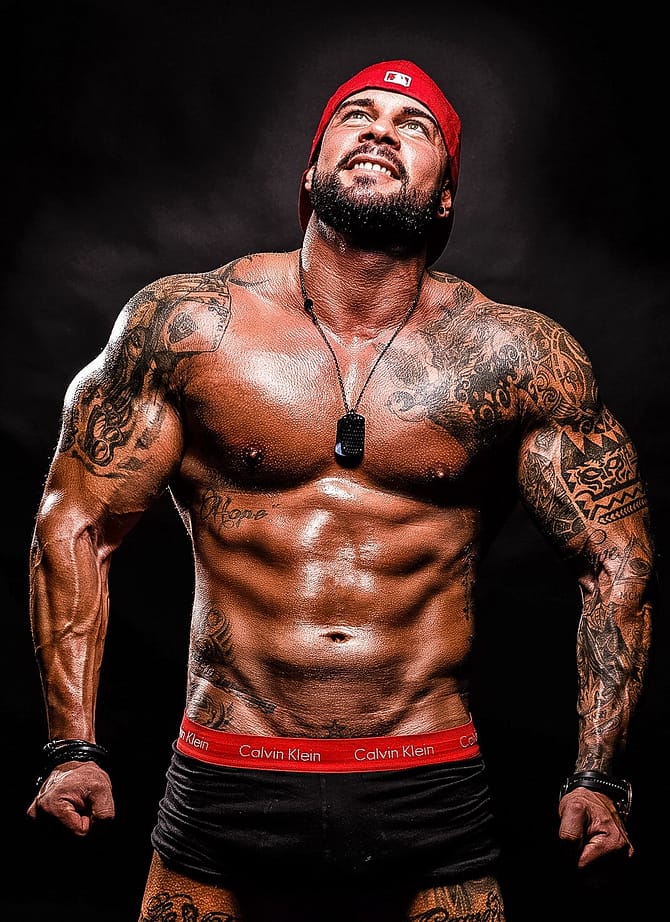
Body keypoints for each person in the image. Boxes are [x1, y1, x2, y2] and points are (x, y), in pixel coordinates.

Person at [26, 58, 655, 922]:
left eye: (414, 125)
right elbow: (76, 526)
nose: (380, 129)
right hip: (227, 765)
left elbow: (614, 563)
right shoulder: (187, 326)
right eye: (355, 115)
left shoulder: (517, 357)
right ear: (309, 174)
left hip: (429, 775)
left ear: (445, 197)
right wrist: (71, 747)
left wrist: (599, 774)